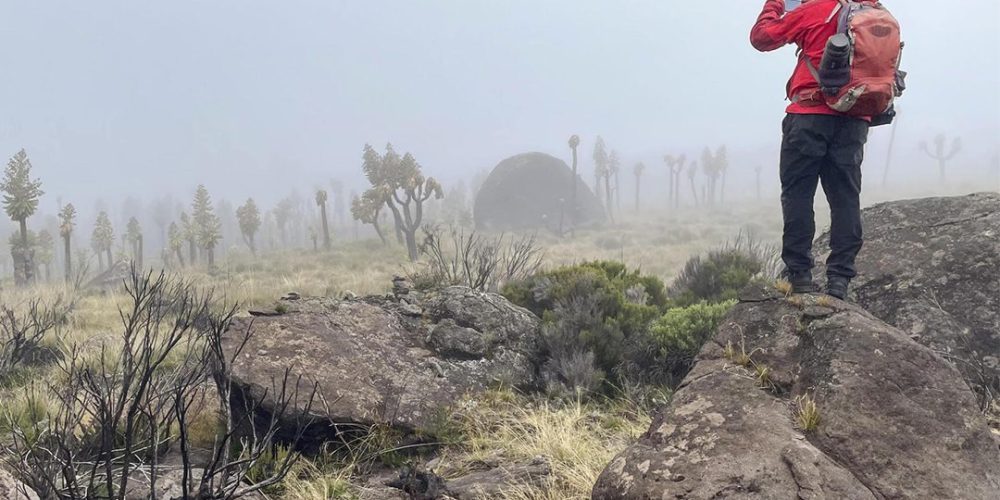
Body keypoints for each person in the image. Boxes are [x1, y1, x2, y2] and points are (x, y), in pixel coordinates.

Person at [749, 0, 874, 299]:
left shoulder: (817, 9)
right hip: (854, 119)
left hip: (809, 116)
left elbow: (761, 37)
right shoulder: (875, 12)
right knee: (845, 198)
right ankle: (840, 280)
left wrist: (775, 4)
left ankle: (800, 275)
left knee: (798, 195)